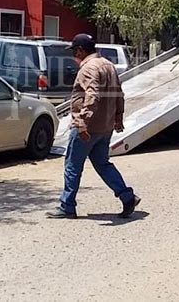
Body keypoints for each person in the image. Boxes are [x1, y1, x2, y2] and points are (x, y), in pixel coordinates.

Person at [46, 33, 140, 219]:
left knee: (72, 166)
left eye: (74, 51)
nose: (74, 55)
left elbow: (92, 95)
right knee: (103, 164)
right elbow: (119, 93)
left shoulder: (88, 68)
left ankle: (67, 206)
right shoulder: (108, 65)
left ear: (80, 50)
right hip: (105, 127)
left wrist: (82, 123)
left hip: (88, 129)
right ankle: (126, 196)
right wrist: (118, 116)